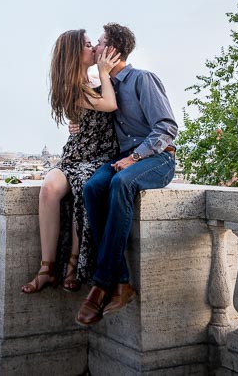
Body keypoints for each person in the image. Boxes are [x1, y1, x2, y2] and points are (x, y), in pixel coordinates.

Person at [75, 22, 178, 326]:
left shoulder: (142, 80)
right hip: (122, 158)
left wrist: (135, 157)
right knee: (93, 188)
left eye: (100, 41)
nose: (94, 46)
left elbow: (167, 127)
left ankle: (101, 284)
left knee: (120, 183)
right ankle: (121, 281)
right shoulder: (106, 85)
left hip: (157, 159)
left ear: (113, 49)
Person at [21, 29, 121, 294]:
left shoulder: (90, 79)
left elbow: (109, 105)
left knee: (81, 189)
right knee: (48, 189)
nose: (93, 49)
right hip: (77, 153)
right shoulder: (71, 85)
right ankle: (47, 268)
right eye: (88, 45)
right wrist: (102, 73)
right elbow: (108, 105)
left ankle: (74, 264)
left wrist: (102, 74)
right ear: (75, 53)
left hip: (101, 155)